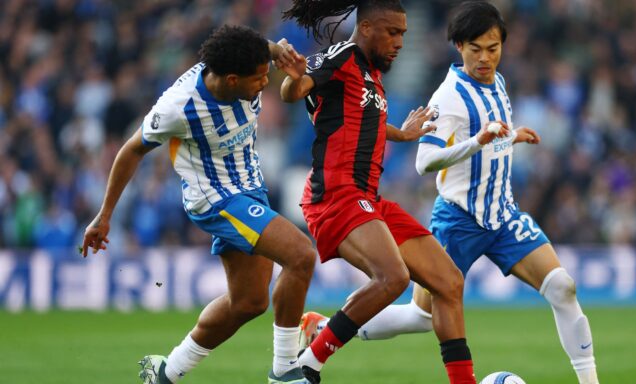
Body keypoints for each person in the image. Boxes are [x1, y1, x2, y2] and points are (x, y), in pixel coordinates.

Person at [299, 2, 601, 383]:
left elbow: (490, 135)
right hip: (459, 217)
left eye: (493, 48)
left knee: (563, 287)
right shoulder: (449, 97)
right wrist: (477, 141)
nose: (485, 58)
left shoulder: (499, 82)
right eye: (476, 49)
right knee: (421, 316)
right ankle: (324, 330)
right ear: (459, 46)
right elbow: (424, 162)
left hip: (503, 214)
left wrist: (510, 137)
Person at [81, 25, 317, 384]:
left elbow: (258, 47)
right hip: (217, 198)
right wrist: (104, 215)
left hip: (250, 188)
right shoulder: (179, 106)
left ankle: (166, 372)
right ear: (233, 79)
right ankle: (285, 371)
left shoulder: (248, 58)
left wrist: (276, 50)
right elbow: (131, 150)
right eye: (258, 80)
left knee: (249, 302)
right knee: (300, 254)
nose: (264, 85)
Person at [280, 1, 477, 383]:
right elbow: (296, 89)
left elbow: (357, 117)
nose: (400, 42)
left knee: (449, 283)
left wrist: (401, 133)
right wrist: (291, 78)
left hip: (367, 197)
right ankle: (306, 367)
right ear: (367, 27)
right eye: (393, 32)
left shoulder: (370, 73)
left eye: (403, 33)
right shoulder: (340, 57)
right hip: (335, 194)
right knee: (393, 278)